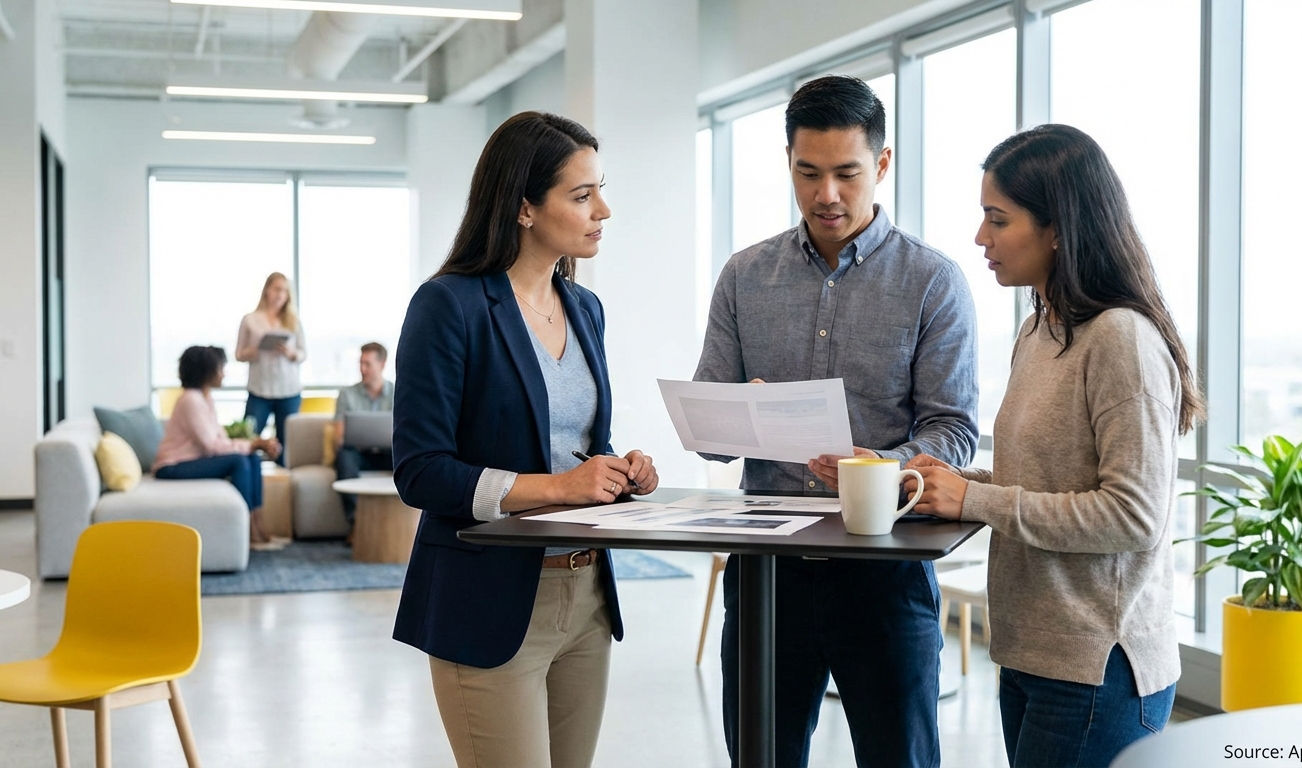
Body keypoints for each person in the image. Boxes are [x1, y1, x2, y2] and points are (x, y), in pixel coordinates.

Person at [694, 75, 979, 768]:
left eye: (847, 173)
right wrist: (743, 416)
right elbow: (707, 423)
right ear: (788, 163)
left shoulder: (932, 281)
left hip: (885, 570)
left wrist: (879, 467)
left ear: (880, 165)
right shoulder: (742, 277)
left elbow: (954, 429)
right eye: (808, 173)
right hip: (768, 572)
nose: (827, 194)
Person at [906, 124, 1204, 768]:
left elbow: (1131, 514)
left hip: (1097, 667)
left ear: (1058, 227)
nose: (980, 239)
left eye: (997, 219)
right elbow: (1043, 474)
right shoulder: (1039, 328)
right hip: (1031, 652)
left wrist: (975, 501)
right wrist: (954, 482)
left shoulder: (1121, 338)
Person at [391, 111, 661, 768]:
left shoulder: (585, 308)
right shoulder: (448, 305)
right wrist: (557, 489)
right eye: (581, 194)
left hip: (587, 596)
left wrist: (619, 468)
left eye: (600, 189)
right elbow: (420, 471)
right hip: (489, 602)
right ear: (524, 208)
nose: (603, 210)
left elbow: (563, 437)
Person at [152, 345, 286, 550]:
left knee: (252, 458)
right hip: (171, 466)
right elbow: (211, 447)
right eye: (220, 368)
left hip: (190, 461)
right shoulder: (191, 401)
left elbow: (220, 438)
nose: (223, 373)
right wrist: (253, 444)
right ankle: (249, 532)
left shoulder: (205, 399)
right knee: (239, 461)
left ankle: (259, 526)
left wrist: (253, 445)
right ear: (206, 371)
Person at [236, 272, 306, 465]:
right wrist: (256, 349)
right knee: (250, 438)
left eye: (284, 291)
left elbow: (302, 354)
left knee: (287, 444)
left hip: (289, 390)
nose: (280, 294)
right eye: (277, 289)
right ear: (267, 289)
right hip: (259, 390)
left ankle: (284, 488)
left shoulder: (293, 321)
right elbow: (239, 354)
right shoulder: (250, 320)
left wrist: (291, 353)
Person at [333, 341, 395, 530]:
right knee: (345, 454)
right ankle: (356, 525)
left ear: (382, 364)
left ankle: (403, 525)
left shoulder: (397, 393)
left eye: (368, 364)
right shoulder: (347, 394)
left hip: (388, 454)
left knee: (409, 457)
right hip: (359, 456)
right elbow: (338, 437)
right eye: (361, 363)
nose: (362, 369)